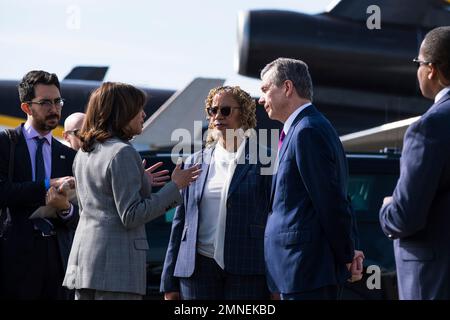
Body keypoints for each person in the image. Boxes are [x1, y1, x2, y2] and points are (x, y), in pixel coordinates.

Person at [62, 82, 201, 300]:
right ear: (122, 112)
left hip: (84, 266)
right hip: (115, 270)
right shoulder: (122, 153)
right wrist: (176, 186)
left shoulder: (85, 153)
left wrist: (141, 181)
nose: (144, 114)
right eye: (138, 109)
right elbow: (131, 215)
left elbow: (97, 204)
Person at [258, 58, 363, 300]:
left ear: (287, 87)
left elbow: (331, 202)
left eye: (265, 89)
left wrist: (347, 255)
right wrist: (351, 250)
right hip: (299, 272)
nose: (261, 99)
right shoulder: (305, 128)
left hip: (306, 271)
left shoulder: (307, 131)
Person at [161, 85, 272, 300]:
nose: (218, 116)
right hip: (197, 269)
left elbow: (274, 219)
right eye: (213, 111)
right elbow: (181, 222)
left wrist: (276, 282)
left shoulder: (266, 159)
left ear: (244, 114)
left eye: (226, 110)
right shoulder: (193, 162)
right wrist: (169, 282)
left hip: (247, 269)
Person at [379, 26, 450, 300]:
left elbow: (405, 216)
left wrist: (387, 208)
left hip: (432, 282)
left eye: (418, 64)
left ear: (431, 69)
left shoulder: (429, 127)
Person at [0, 70, 79, 299]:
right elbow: (3, 192)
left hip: (58, 260)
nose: (54, 108)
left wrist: (65, 209)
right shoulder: (6, 144)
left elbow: (81, 215)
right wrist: (47, 184)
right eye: (45, 102)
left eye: (57, 101)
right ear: (26, 107)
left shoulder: (68, 155)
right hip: (14, 260)